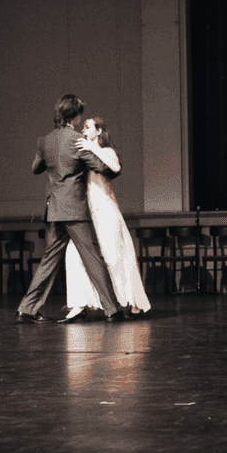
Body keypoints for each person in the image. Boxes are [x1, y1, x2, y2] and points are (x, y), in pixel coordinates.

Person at [16, 94, 125, 323]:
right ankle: (112, 309)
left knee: (48, 260)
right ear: (75, 116)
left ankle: (26, 308)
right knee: (93, 257)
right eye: (79, 114)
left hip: (54, 209)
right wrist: (99, 155)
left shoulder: (44, 141)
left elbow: (36, 168)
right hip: (74, 209)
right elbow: (105, 168)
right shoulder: (76, 140)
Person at [61, 117, 151, 319]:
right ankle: (78, 305)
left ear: (98, 131)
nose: (83, 129)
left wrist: (93, 147)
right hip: (87, 213)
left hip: (106, 211)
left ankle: (125, 302)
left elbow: (115, 167)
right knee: (73, 255)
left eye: (87, 126)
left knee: (113, 257)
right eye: (82, 126)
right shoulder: (83, 153)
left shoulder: (106, 151)